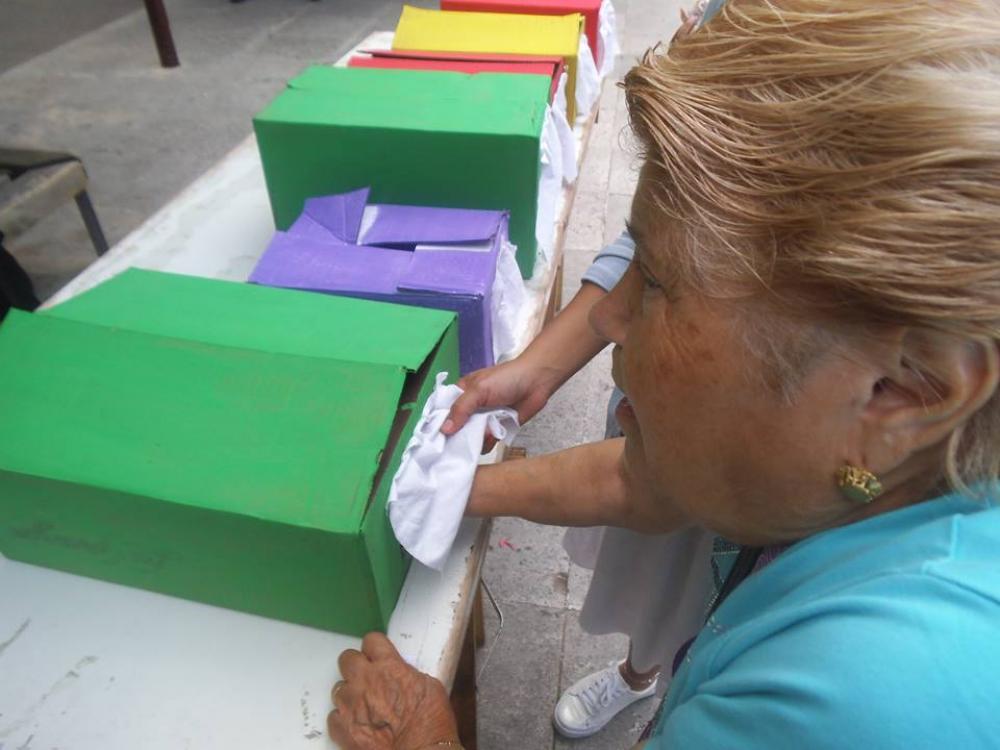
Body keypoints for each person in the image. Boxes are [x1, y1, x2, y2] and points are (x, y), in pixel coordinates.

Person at [326, 1, 1000, 747]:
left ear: (901, 391)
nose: (609, 320)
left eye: (656, 281)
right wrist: (441, 488)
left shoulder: (852, 705)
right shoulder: (851, 470)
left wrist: (425, 740)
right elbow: (642, 482)